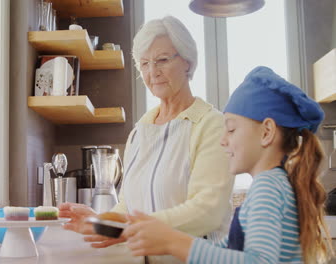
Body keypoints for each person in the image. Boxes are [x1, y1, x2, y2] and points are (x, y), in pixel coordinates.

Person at [59, 16, 234, 263]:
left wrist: (129, 227)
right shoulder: (139, 133)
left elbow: (208, 212)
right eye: (144, 63)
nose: (153, 72)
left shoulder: (210, 124)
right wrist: (99, 222)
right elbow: (128, 207)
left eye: (162, 60)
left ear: (187, 61)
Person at [123, 66, 335, 263]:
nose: (222, 140)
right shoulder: (273, 184)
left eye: (231, 129)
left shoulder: (267, 187)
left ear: (266, 132)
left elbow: (259, 261)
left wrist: (174, 242)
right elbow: (228, 253)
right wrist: (167, 241)